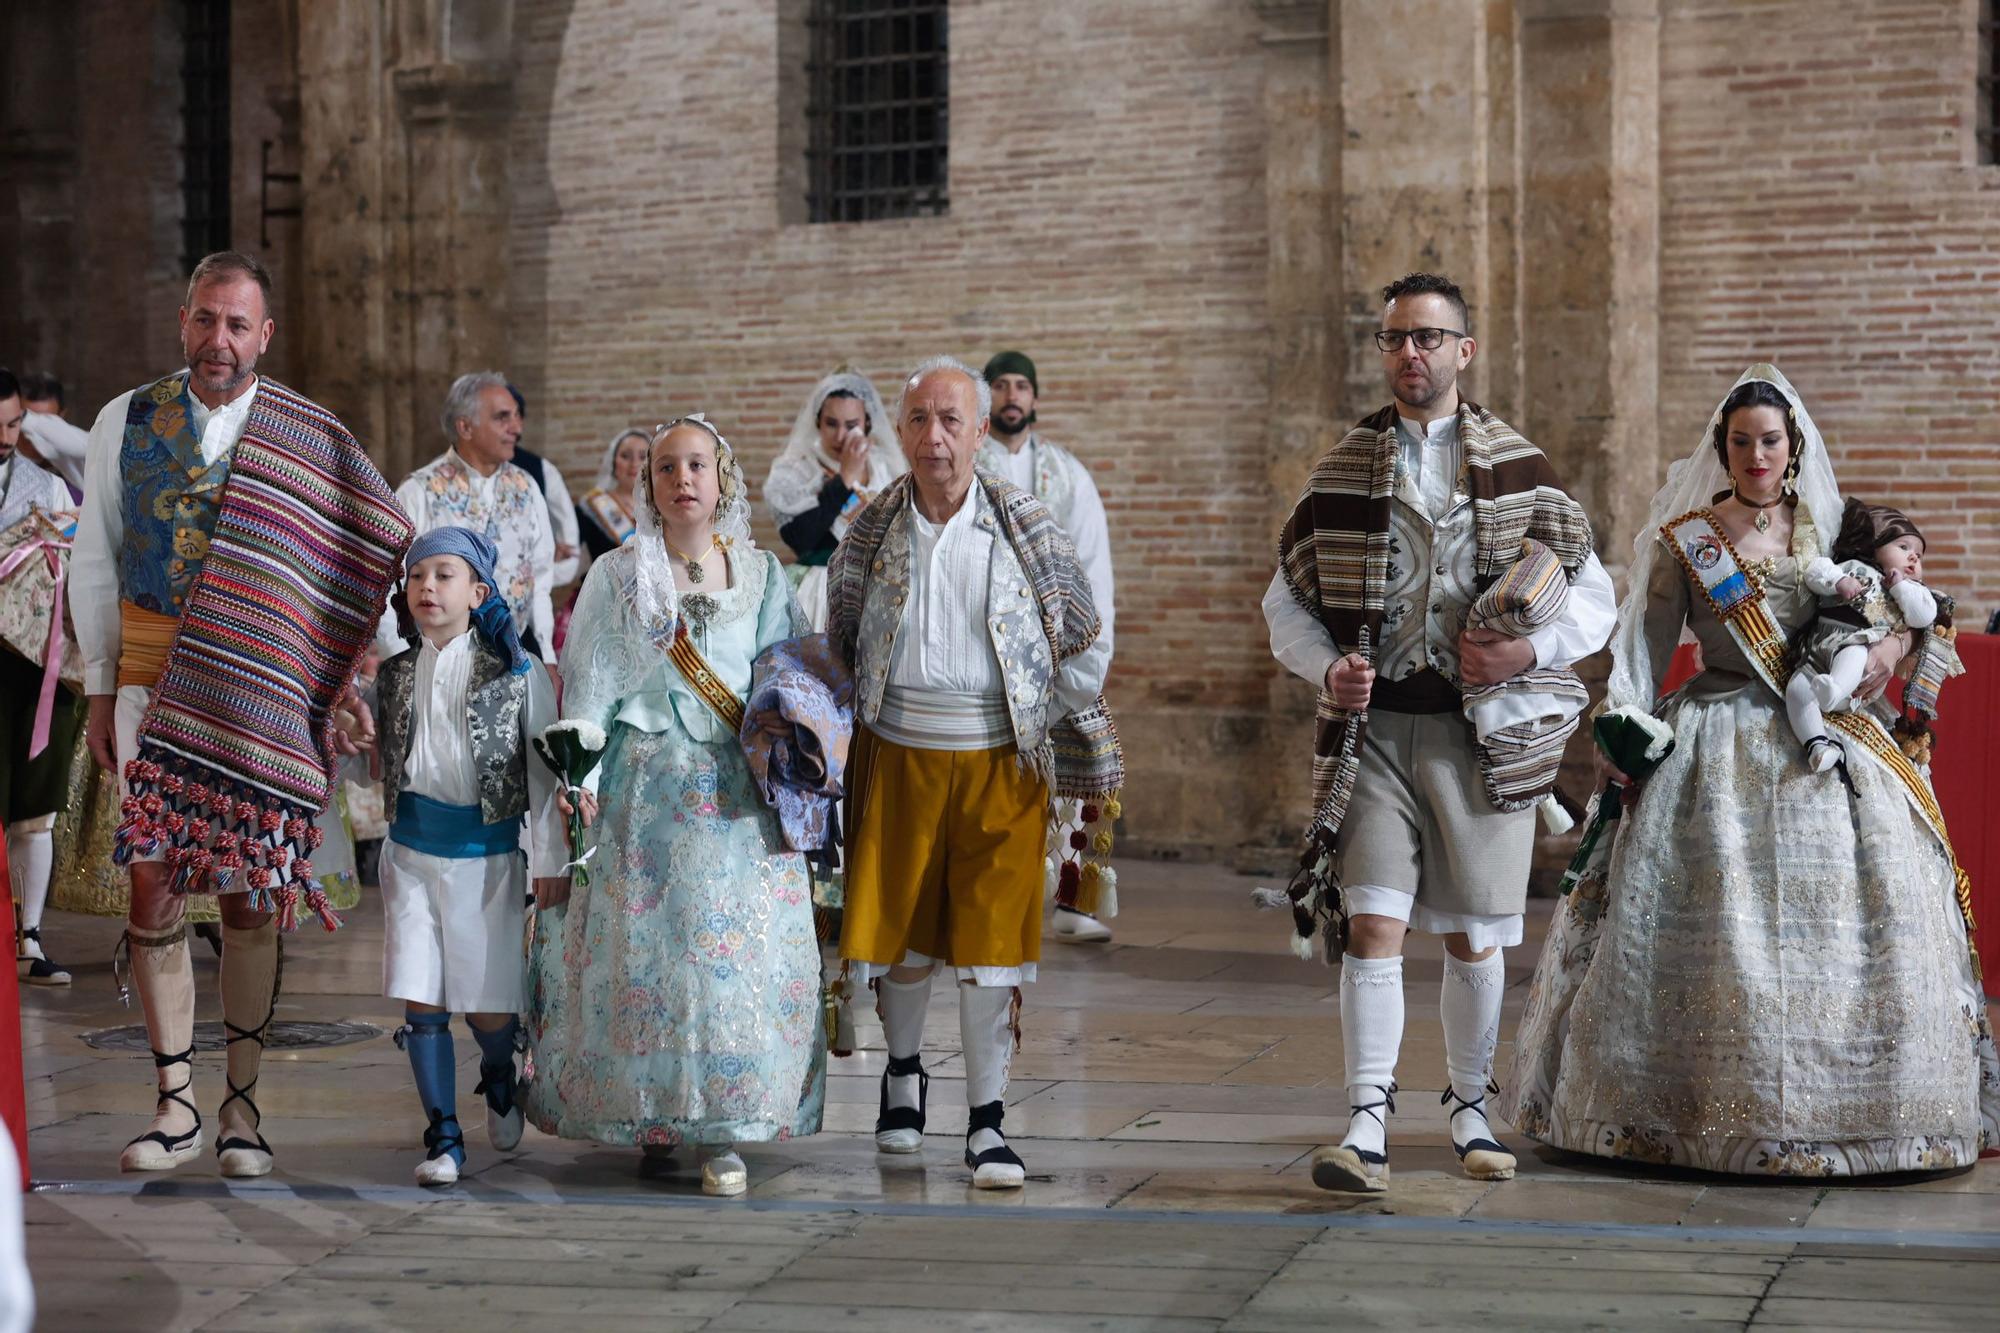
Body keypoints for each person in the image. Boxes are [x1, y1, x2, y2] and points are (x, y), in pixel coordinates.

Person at [1502, 363, 2000, 1176]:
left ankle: (1865, 1113)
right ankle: (1675, 1113)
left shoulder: (1831, 529)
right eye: (1741, 443)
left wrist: (1885, 647)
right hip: (1713, 728)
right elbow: (1644, 638)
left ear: (1792, 446)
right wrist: (1625, 715)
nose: (1756, 455)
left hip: (1822, 730)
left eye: (1769, 441)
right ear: (1723, 449)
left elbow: (1905, 611)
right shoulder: (1690, 535)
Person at [1264, 272, 1616, 1194]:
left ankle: (1469, 1108)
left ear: (1465, 350)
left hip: (1480, 741)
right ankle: (1367, 1121)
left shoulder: (1524, 470)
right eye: (1393, 340)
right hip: (1376, 734)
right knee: (1372, 923)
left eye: (1427, 338)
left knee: (1473, 937)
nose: (1408, 354)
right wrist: (1325, 669)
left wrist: (1527, 650)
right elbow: (1285, 601)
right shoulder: (1342, 471)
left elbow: (1594, 594)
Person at [67, 249, 410, 1176]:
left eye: (237, 324)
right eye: (205, 319)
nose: (219, 339)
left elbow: (358, 554)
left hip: (261, 698)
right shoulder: (124, 420)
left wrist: (344, 677)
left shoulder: (309, 435)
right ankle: (174, 1102)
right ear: (183, 321)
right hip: (150, 681)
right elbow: (93, 555)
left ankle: (243, 1110)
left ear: (266, 334)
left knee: (252, 892)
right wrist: (100, 682)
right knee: (154, 881)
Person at [829, 356, 1118, 1189]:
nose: (934, 438)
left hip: (1000, 760)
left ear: (981, 429)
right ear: (902, 432)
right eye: (918, 420)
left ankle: (988, 1119)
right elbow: (841, 631)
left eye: (951, 420)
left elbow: (1083, 635)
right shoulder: (873, 528)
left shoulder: (1027, 523)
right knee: (908, 937)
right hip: (900, 752)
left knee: (994, 944)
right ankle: (903, 1077)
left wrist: (1035, 708)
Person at [525, 414, 826, 1198]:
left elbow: (786, 682)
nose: (683, 479)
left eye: (698, 464)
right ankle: (649, 1114)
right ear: (648, 484)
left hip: (737, 797)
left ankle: (722, 1126)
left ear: (722, 477)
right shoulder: (618, 576)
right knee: (646, 964)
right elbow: (586, 683)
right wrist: (578, 785)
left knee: (728, 965)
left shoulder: (762, 575)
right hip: (642, 798)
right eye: (666, 468)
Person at [372, 527, 563, 1186]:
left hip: (486, 861)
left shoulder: (516, 673)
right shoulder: (393, 673)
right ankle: (443, 1135)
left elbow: (544, 773)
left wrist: (552, 859)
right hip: (410, 856)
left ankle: (500, 1067)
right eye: (417, 575)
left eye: (444, 574)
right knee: (422, 1000)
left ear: (478, 590)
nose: (427, 586)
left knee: (487, 1007)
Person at [979, 351, 1118, 943]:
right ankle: (984, 891)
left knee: (1088, 757)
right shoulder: (964, 465)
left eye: (1021, 386)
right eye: (1000, 386)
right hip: (982, 643)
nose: (1012, 395)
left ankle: (1075, 899)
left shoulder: (1067, 474)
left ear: (1034, 399)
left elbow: (1091, 562)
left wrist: (1088, 644)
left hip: (1059, 639)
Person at [386, 373, 556, 664]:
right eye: (503, 417)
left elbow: (539, 580)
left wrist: (548, 657)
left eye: (516, 416)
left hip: (516, 658)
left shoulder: (527, 487)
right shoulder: (419, 491)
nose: (517, 428)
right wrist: (399, 662)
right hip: (434, 660)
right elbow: (389, 584)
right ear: (465, 426)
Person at [0, 367, 80, 985]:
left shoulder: (46, 487)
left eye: (14, 423)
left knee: (35, 808)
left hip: (35, 671)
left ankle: (28, 935)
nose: (7, 436)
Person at [1785, 498, 1941, 774]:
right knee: (1797, 689)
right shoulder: (1852, 566)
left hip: (1859, 646)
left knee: (1855, 654)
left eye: (1918, 554)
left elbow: (1924, 615)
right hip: (1820, 645)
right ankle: (1817, 745)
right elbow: (1815, 572)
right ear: (1875, 546)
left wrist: (1901, 587)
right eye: (1903, 547)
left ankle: (1834, 691)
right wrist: (1838, 581)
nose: (1914, 557)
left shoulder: (1911, 591)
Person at [763, 368, 907, 631]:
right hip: (820, 589)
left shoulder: (884, 467)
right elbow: (800, 540)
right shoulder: (797, 469)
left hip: (879, 583)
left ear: (867, 423)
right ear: (818, 422)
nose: (841, 436)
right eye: (832, 423)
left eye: (851, 425)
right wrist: (844, 479)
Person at [505, 384, 582, 591]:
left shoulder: (540, 470)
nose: (510, 424)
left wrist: (536, 571)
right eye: (500, 417)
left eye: (515, 415)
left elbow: (570, 553)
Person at [575, 427, 649, 558]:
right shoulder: (591, 507)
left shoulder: (663, 507)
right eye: (626, 456)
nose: (634, 463)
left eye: (643, 457)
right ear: (613, 462)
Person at [16, 371, 86, 498]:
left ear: (62, 416)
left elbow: (91, 445)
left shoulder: (79, 461)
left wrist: (28, 419)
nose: (34, 435)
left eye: (48, 421)